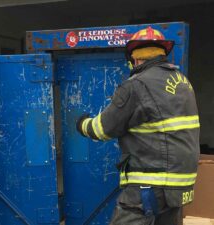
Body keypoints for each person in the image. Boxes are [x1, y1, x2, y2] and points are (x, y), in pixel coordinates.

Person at [76, 26, 200, 225]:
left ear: (135, 59)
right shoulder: (183, 82)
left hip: (150, 184)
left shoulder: (137, 84)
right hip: (180, 185)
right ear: (161, 54)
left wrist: (81, 123)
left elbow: (103, 129)